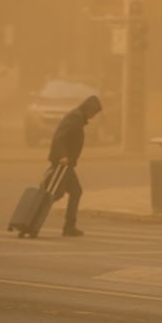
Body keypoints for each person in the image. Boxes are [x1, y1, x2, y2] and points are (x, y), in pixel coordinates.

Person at [47, 94, 102, 237]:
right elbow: (60, 137)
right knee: (56, 194)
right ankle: (36, 216)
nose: (93, 116)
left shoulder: (77, 117)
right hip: (63, 163)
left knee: (69, 192)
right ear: (88, 108)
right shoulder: (75, 118)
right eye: (93, 112)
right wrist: (63, 155)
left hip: (66, 163)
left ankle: (69, 226)